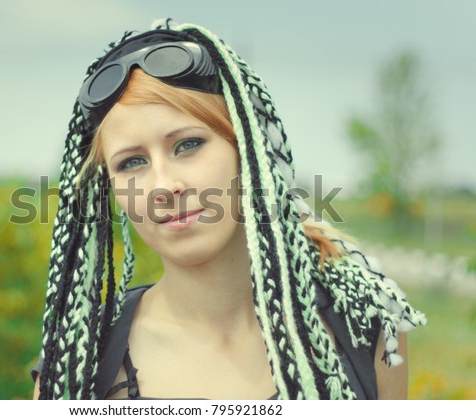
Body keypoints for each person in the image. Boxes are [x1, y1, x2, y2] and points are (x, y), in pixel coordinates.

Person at [31, 19, 426, 400]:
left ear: (247, 152)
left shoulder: (365, 329)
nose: (164, 186)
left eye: (187, 145)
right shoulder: (78, 361)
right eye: (131, 163)